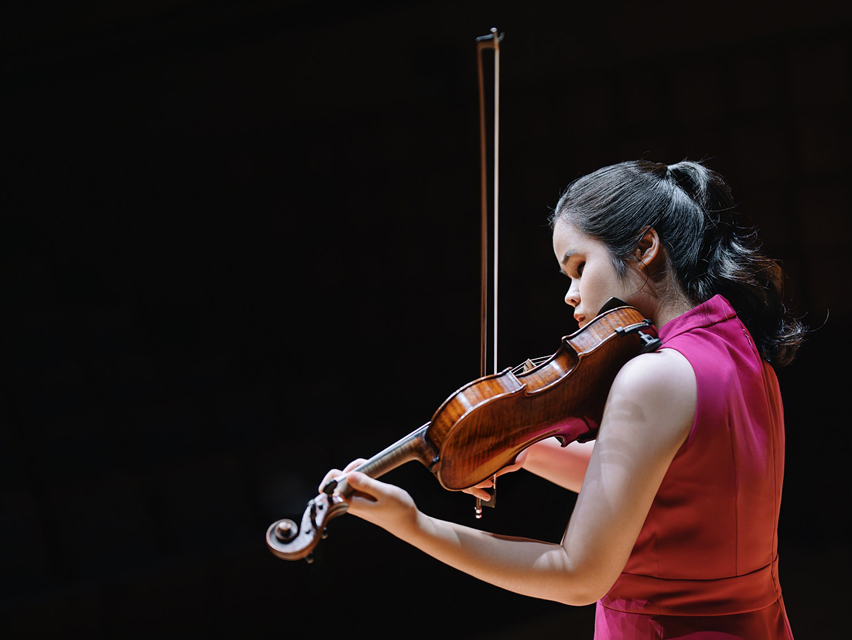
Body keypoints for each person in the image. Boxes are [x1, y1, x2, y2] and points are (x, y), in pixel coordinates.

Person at [321, 159, 805, 639]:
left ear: (644, 246)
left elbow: (577, 576)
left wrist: (413, 523)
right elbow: (670, 485)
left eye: (578, 267)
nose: (570, 296)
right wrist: (523, 446)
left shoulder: (652, 377)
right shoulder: (740, 349)